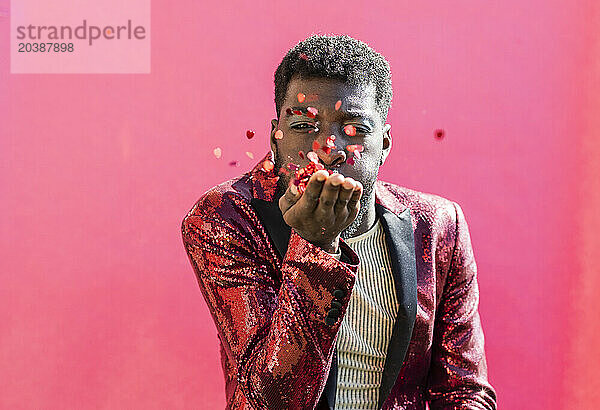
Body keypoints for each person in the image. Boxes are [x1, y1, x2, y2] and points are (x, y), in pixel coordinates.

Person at [181, 34, 497, 410]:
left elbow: (463, 393)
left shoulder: (437, 227)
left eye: (354, 130)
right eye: (303, 126)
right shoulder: (227, 217)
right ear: (274, 138)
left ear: (385, 144)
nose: (325, 150)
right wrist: (316, 247)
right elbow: (272, 401)